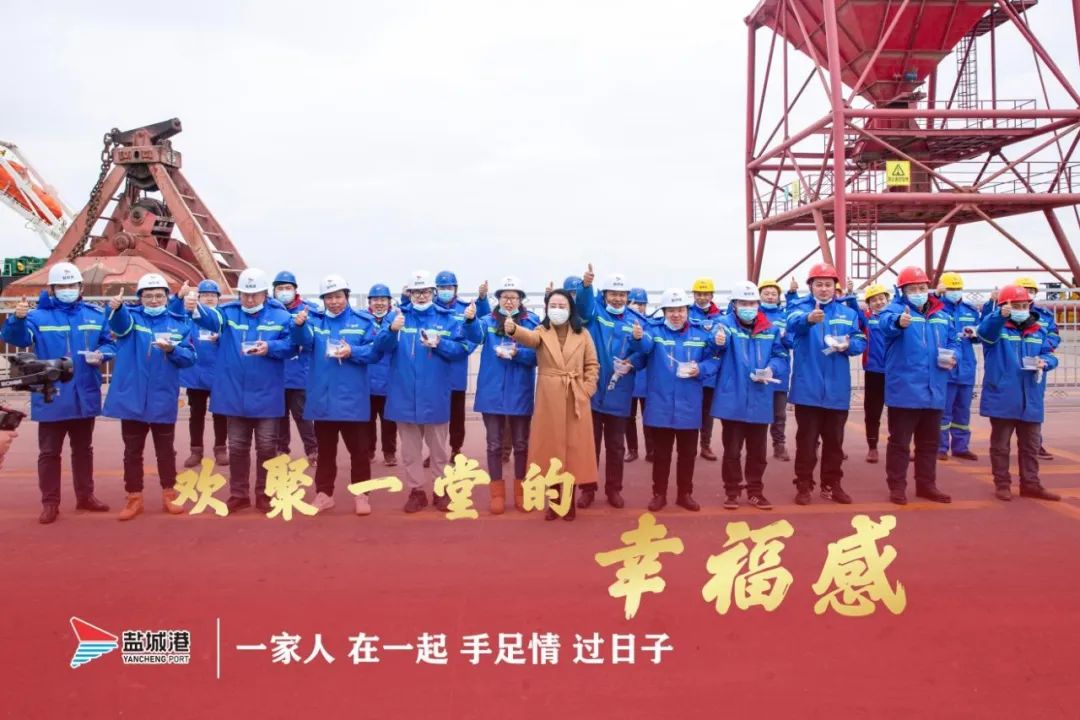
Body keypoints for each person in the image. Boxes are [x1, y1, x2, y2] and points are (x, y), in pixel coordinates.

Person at [2, 262, 113, 524]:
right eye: (62, 286)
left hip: (84, 394)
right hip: (52, 394)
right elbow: (17, 338)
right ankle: (50, 503)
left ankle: (86, 496)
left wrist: (103, 355)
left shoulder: (95, 315)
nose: (67, 289)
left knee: (83, 450)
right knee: (50, 452)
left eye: (71, 285)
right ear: (52, 289)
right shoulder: (37, 317)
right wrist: (17, 319)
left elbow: (109, 343)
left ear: (80, 287)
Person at [183, 268, 297, 513]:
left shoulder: (280, 316)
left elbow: (292, 346)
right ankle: (239, 494)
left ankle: (264, 494)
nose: (250, 299)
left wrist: (271, 347)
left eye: (255, 294)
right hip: (235, 395)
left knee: (266, 447)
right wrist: (194, 307)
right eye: (245, 294)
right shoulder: (228, 313)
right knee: (237, 447)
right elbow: (209, 319)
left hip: (266, 394)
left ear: (265, 293)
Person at [376, 270, 471, 513]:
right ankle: (416, 491)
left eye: (425, 291)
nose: (421, 296)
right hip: (404, 394)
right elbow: (380, 347)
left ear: (433, 292)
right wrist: (391, 330)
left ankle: (441, 489)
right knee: (410, 451)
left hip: (435, 393)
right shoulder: (396, 316)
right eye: (416, 292)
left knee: (438, 450)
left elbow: (462, 349)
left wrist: (440, 344)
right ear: (409, 293)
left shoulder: (448, 319)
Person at [104, 273, 196, 520]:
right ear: (140, 298)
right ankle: (134, 498)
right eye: (148, 296)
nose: (154, 300)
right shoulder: (131, 318)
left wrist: (173, 349)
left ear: (167, 297)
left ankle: (170, 494)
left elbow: (190, 357)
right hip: (132, 399)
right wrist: (117, 308)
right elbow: (119, 326)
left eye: (158, 296)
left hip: (162, 397)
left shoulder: (179, 323)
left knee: (165, 451)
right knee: (132, 452)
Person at [291, 274, 383, 515]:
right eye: (329, 297)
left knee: (359, 452)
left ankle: (362, 495)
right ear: (323, 299)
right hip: (324, 400)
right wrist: (298, 326)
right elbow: (303, 342)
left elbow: (374, 352)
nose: (334, 301)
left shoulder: (363, 322)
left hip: (353, 400)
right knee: (326, 452)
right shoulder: (315, 321)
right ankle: (324, 494)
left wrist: (353, 351)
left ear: (346, 296)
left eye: (338, 296)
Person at [505, 289, 599, 521]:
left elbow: (592, 365)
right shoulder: (541, 331)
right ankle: (555, 502)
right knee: (550, 450)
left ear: (570, 309)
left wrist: (587, 390)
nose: (557, 310)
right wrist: (514, 329)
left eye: (562, 306)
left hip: (575, 396)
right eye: (553, 306)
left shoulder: (583, 334)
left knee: (573, 450)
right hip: (549, 399)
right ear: (546, 309)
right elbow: (529, 338)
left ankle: (569, 501)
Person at [784, 262, 867, 505]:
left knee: (835, 443)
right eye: (818, 284)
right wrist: (808, 319)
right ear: (810, 286)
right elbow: (792, 324)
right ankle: (803, 484)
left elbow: (860, 340)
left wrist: (848, 345)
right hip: (807, 389)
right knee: (806, 442)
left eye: (828, 284)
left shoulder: (847, 313)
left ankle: (832, 485)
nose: (823, 289)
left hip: (837, 389)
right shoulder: (799, 308)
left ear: (835, 287)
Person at [631, 288, 719, 511]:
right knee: (661, 454)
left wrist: (701, 369)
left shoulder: (701, 334)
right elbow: (644, 348)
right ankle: (659, 494)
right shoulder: (653, 331)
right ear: (664, 312)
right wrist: (637, 338)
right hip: (660, 404)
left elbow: (714, 359)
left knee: (687, 454)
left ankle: (684, 494)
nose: (676, 315)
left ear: (687, 311)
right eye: (671, 310)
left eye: (680, 310)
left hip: (689, 405)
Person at [877, 267, 958, 505]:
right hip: (905, 390)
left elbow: (954, 340)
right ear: (903, 291)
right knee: (900, 443)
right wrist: (899, 323)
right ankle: (897, 487)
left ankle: (926, 485)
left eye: (922, 288)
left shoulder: (942, 314)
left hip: (935, 389)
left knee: (929, 443)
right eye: (912, 289)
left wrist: (954, 356)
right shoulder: (895, 310)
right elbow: (885, 324)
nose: (919, 292)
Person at [977, 284, 1060, 502]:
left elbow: (1050, 353)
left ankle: (1031, 484)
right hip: (1002, 395)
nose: (1021, 309)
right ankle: (1002, 484)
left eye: (1024, 305)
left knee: (1031, 445)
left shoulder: (1038, 330)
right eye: (1016, 306)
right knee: (1000, 446)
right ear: (1005, 306)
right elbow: (984, 333)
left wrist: (1046, 362)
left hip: (1030, 396)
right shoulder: (997, 329)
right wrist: (998, 316)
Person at [465, 275, 539, 514]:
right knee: (494, 444)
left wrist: (518, 354)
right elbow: (474, 336)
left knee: (521, 444)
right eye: (505, 297)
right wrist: (469, 320)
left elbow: (539, 355)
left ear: (521, 299)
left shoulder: (532, 321)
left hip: (520, 392)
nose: (509, 301)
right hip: (492, 392)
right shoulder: (487, 321)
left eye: (514, 297)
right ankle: (497, 493)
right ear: (498, 299)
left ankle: (521, 492)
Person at [712, 281, 789, 510]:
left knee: (758, 451)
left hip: (760, 396)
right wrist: (717, 341)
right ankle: (732, 491)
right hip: (732, 398)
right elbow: (713, 344)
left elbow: (781, 356)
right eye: (743, 303)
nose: (748, 307)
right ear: (734, 305)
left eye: (752, 303)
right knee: (732, 450)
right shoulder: (724, 325)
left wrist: (772, 369)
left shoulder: (770, 329)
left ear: (758, 304)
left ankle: (755, 491)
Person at [576, 271, 648, 509]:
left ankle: (614, 489)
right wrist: (586, 286)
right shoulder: (595, 313)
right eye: (613, 294)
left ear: (628, 296)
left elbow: (646, 352)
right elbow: (583, 308)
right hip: (593, 390)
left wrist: (633, 360)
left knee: (616, 446)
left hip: (620, 391)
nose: (618, 299)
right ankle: (587, 489)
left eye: (622, 294)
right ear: (605, 294)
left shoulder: (636, 321)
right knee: (590, 445)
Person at [171, 279, 229, 468]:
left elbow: (236, 341)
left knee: (220, 413)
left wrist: (222, 338)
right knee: (196, 414)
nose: (209, 299)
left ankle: (220, 449)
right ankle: (196, 450)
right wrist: (179, 296)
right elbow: (173, 317)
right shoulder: (190, 317)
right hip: (195, 374)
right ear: (198, 298)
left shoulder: (224, 319)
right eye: (205, 295)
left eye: (213, 295)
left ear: (218, 298)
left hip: (219, 374)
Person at [272, 270, 319, 464]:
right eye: (280, 288)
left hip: (299, 372)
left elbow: (313, 339)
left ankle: (313, 449)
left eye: (288, 288)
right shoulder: (270, 311)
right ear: (274, 291)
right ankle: (281, 449)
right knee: (279, 415)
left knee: (302, 414)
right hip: (275, 373)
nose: (284, 292)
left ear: (295, 290)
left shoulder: (308, 310)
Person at [936, 272, 981, 462]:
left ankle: (961, 447)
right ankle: (940, 447)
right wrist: (935, 295)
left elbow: (981, 334)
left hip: (966, 367)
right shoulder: (937, 307)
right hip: (946, 366)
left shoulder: (970, 311)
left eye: (958, 288)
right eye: (951, 288)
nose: (955, 292)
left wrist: (975, 334)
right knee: (943, 411)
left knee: (963, 410)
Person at [855, 284, 891, 463]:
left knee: (899, 412)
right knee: (872, 412)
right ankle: (872, 447)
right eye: (874, 300)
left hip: (895, 372)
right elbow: (854, 312)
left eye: (881, 298)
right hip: (874, 371)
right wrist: (851, 294)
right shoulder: (867, 318)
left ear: (887, 300)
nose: (879, 302)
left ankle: (900, 446)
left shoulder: (896, 318)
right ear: (868, 303)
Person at [757, 279, 791, 461]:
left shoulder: (785, 317)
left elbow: (793, 341)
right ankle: (758, 446)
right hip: (758, 368)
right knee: (759, 410)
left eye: (773, 294)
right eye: (766, 293)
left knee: (779, 413)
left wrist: (785, 337)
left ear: (778, 297)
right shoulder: (753, 315)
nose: (770, 297)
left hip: (780, 371)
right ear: (759, 296)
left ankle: (779, 444)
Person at [690, 277, 723, 461]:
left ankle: (705, 445)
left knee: (707, 411)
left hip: (710, 372)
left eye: (706, 294)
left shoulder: (721, 317)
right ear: (693, 295)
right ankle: (689, 445)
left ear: (712, 295)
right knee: (690, 409)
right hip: (691, 369)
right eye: (699, 294)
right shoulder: (686, 312)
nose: (702, 297)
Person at [366, 283, 397, 466]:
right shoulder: (363, 320)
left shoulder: (396, 320)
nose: (379, 303)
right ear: (369, 302)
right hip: (367, 381)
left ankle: (389, 453)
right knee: (367, 421)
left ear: (389, 302)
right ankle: (369, 451)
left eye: (383, 299)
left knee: (389, 422)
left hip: (389, 381)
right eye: (375, 299)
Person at [624, 287, 652, 463]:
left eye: (642, 304)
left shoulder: (650, 323)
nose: (639, 307)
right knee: (629, 416)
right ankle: (632, 449)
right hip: (628, 375)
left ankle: (651, 450)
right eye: (635, 303)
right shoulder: (623, 322)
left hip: (647, 376)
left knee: (649, 417)